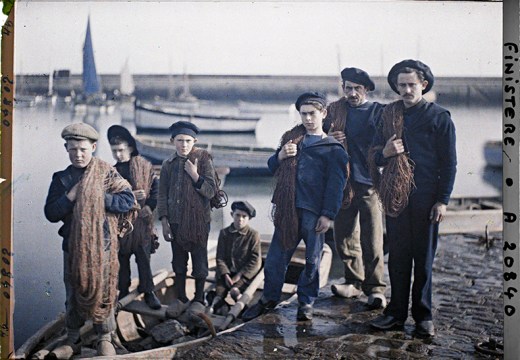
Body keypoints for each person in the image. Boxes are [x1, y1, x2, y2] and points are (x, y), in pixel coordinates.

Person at [368, 60, 457, 337]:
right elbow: (372, 153)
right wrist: (385, 152)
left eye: (411, 84)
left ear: (424, 85)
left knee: (423, 258)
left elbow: (450, 164)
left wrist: (442, 200)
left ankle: (423, 316)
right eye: (401, 85)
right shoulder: (387, 116)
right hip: (397, 197)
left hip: (427, 198)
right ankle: (395, 314)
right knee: (398, 258)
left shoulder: (439, 117)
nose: (406, 90)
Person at [242, 92, 348, 322]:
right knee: (275, 259)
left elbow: (336, 186)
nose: (308, 119)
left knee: (312, 261)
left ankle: (306, 302)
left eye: (313, 114)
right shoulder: (293, 140)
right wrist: (280, 155)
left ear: (323, 113)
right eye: (304, 114)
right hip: (288, 210)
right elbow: (271, 166)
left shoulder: (333, 149)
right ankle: (268, 299)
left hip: (314, 213)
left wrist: (328, 215)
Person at [44, 123, 135, 358]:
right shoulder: (62, 179)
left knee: (104, 291)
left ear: (93, 147)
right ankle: (73, 339)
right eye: (73, 149)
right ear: (66, 148)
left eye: (83, 149)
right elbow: (51, 213)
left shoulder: (106, 173)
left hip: (103, 247)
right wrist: (72, 195)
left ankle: (104, 337)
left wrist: (97, 196)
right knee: (74, 291)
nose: (78, 154)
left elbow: (127, 200)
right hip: (73, 248)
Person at [324, 67, 387, 309]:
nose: (352, 93)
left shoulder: (377, 112)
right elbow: (319, 134)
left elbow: (385, 144)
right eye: (347, 88)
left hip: (368, 183)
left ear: (366, 89)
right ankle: (353, 281)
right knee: (344, 234)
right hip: (343, 182)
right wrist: (330, 137)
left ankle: (376, 288)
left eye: (357, 88)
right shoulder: (335, 112)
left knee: (372, 238)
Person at [157, 121, 218, 317]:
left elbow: (211, 191)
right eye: (180, 140)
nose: (184, 145)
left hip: (199, 222)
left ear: (195, 141)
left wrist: (195, 175)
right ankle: (181, 298)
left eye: (188, 141)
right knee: (179, 262)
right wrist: (164, 221)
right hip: (175, 222)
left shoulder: (204, 160)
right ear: (172, 141)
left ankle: (199, 299)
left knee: (200, 262)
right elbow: (162, 195)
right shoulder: (168, 165)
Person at [107, 125, 161, 310]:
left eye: (121, 150)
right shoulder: (111, 172)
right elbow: (109, 196)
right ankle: (122, 292)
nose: (118, 155)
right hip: (121, 224)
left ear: (130, 147)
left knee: (143, 258)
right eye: (114, 151)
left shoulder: (145, 167)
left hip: (142, 223)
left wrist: (149, 206)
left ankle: (148, 291)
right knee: (121, 261)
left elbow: (156, 191)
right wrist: (130, 195)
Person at [209, 200, 262, 314]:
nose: (240, 219)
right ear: (232, 214)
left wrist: (239, 275)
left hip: (244, 275)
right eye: (237, 215)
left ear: (249, 218)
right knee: (218, 294)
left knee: (235, 291)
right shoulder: (224, 233)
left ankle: (243, 310)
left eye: (244, 216)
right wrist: (225, 274)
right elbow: (220, 258)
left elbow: (255, 261)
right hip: (226, 274)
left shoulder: (253, 235)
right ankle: (218, 306)